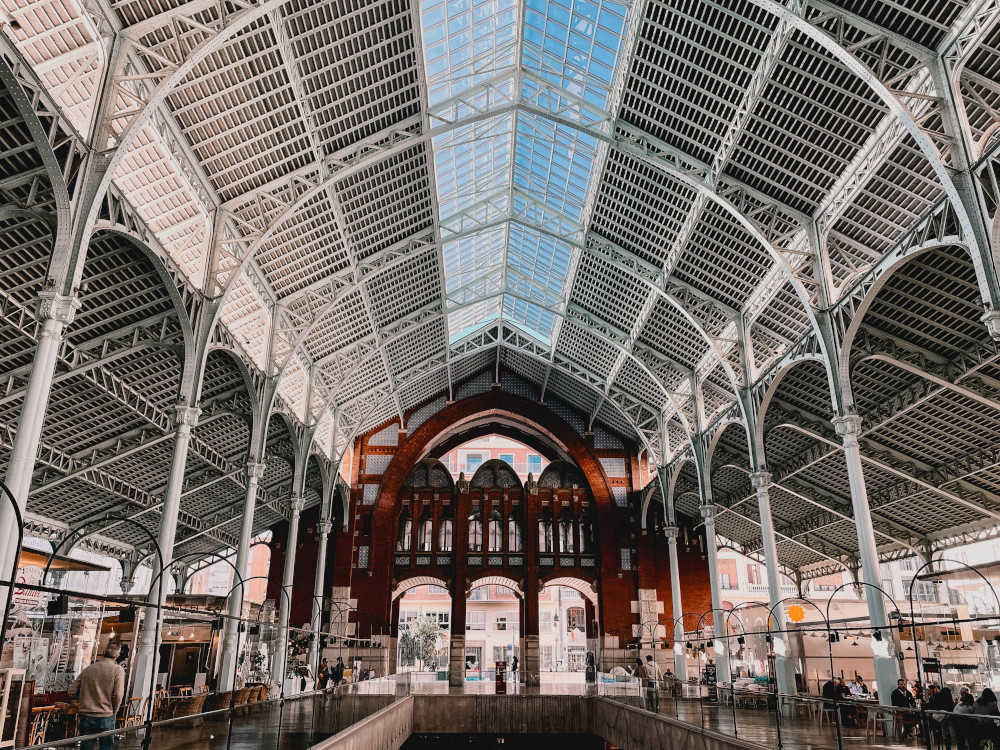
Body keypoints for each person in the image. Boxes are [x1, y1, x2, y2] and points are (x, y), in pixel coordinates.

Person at [67, 643, 125, 750]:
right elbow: (118, 694)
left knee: (86, 747)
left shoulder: (88, 669)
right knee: (106, 747)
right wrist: (114, 710)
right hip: (106, 715)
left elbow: (71, 691)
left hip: (86, 715)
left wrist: (81, 702)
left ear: (103, 653)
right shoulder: (117, 670)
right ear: (117, 656)